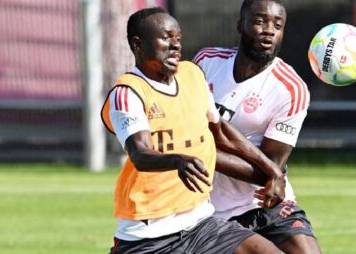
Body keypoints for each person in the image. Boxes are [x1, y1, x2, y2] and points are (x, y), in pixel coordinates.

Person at [100, 7, 287, 254]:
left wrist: (273, 170)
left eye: (177, 38)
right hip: (148, 235)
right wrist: (178, 160)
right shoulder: (128, 92)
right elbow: (140, 153)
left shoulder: (191, 75)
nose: (175, 45)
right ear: (138, 43)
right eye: (165, 38)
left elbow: (221, 132)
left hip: (200, 223)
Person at [193, 0, 322, 253]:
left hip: (264, 203)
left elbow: (271, 169)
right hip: (210, 210)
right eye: (260, 21)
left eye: (278, 25)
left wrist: (197, 151)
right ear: (240, 25)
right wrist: (195, 151)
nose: (269, 30)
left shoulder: (291, 88)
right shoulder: (206, 62)